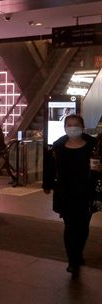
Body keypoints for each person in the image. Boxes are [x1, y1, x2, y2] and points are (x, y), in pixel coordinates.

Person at [43, 115, 99, 278]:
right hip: (66, 193)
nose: (72, 128)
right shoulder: (57, 147)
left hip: (87, 193)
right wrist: (47, 185)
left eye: (76, 125)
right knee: (70, 227)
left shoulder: (93, 147)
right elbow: (50, 168)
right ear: (64, 127)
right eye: (69, 125)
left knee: (83, 227)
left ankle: (78, 253)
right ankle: (72, 261)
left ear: (82, 126)